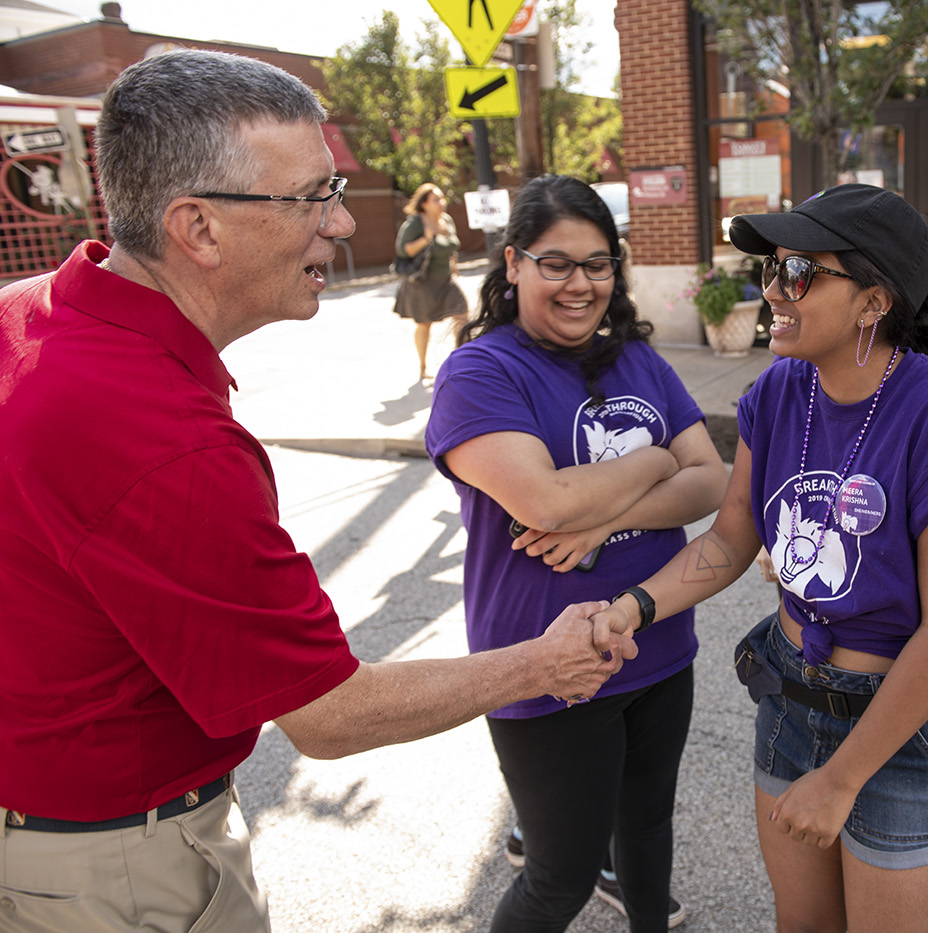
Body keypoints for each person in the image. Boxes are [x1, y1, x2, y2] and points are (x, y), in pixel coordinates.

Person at [0, 50, 629, 933]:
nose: (339, 223)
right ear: (199, 228)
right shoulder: (165, 442)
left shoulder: (27, 312)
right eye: (313, 197)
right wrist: (542, 661)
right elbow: (329, 714)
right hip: (114, 864)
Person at [591, 184, 928, 933]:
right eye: (772, 270)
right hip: (792, 700)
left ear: (873, 301)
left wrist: (843, 777)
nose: (773, 291)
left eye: (799, 273)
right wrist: (634, 605)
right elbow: (731, 538)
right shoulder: (779, 391)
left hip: (908, 732)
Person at [424, 174, 728, 933]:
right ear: (514, 263)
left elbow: (714, 483)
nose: (580, 283)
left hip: (658, 643)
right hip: (546, 663)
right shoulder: (482, 372)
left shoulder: (638, 360)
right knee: (559, 878)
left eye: (598, 264)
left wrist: (603, 517)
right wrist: (658, 461)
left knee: (648, 835)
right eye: (555, 262)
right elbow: (546, 502)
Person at [393, 182, 470, 382]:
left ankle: (460, 361)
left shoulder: (447, 220)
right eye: (436, 200)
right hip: (423, 282)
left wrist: (454, 265)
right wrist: (426, 238)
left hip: (445, 279)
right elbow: (403, 250)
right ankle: (423, 367)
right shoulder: (415, 224)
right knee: (425, 324)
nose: (441, 203)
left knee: (462, 314)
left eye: (442, 198)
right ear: (424, 204)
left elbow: (452, 246)